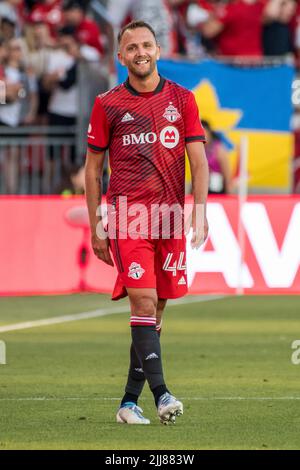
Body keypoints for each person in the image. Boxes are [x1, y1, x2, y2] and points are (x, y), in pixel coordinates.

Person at [85, 20, 209, 425]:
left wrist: (200, 210)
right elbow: (93, 169)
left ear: (158, 50)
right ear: (120, 57)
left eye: (146, 45)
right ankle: (162, 395)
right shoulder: (108, 103)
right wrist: (96, 224)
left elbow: (200, 160)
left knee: (155, 316)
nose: (140, 52)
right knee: (144, 301)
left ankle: (127, 403)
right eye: (131, 48)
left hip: (170, 219)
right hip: (127, 217)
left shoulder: (182, 99)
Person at [202, 120, 233, 194]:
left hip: (217, 189)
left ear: (209, 133)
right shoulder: (199, 148)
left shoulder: (219, 149)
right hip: (203, 187)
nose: (202, 137)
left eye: (204, 133)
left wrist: (228, 192)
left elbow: (227, 173)